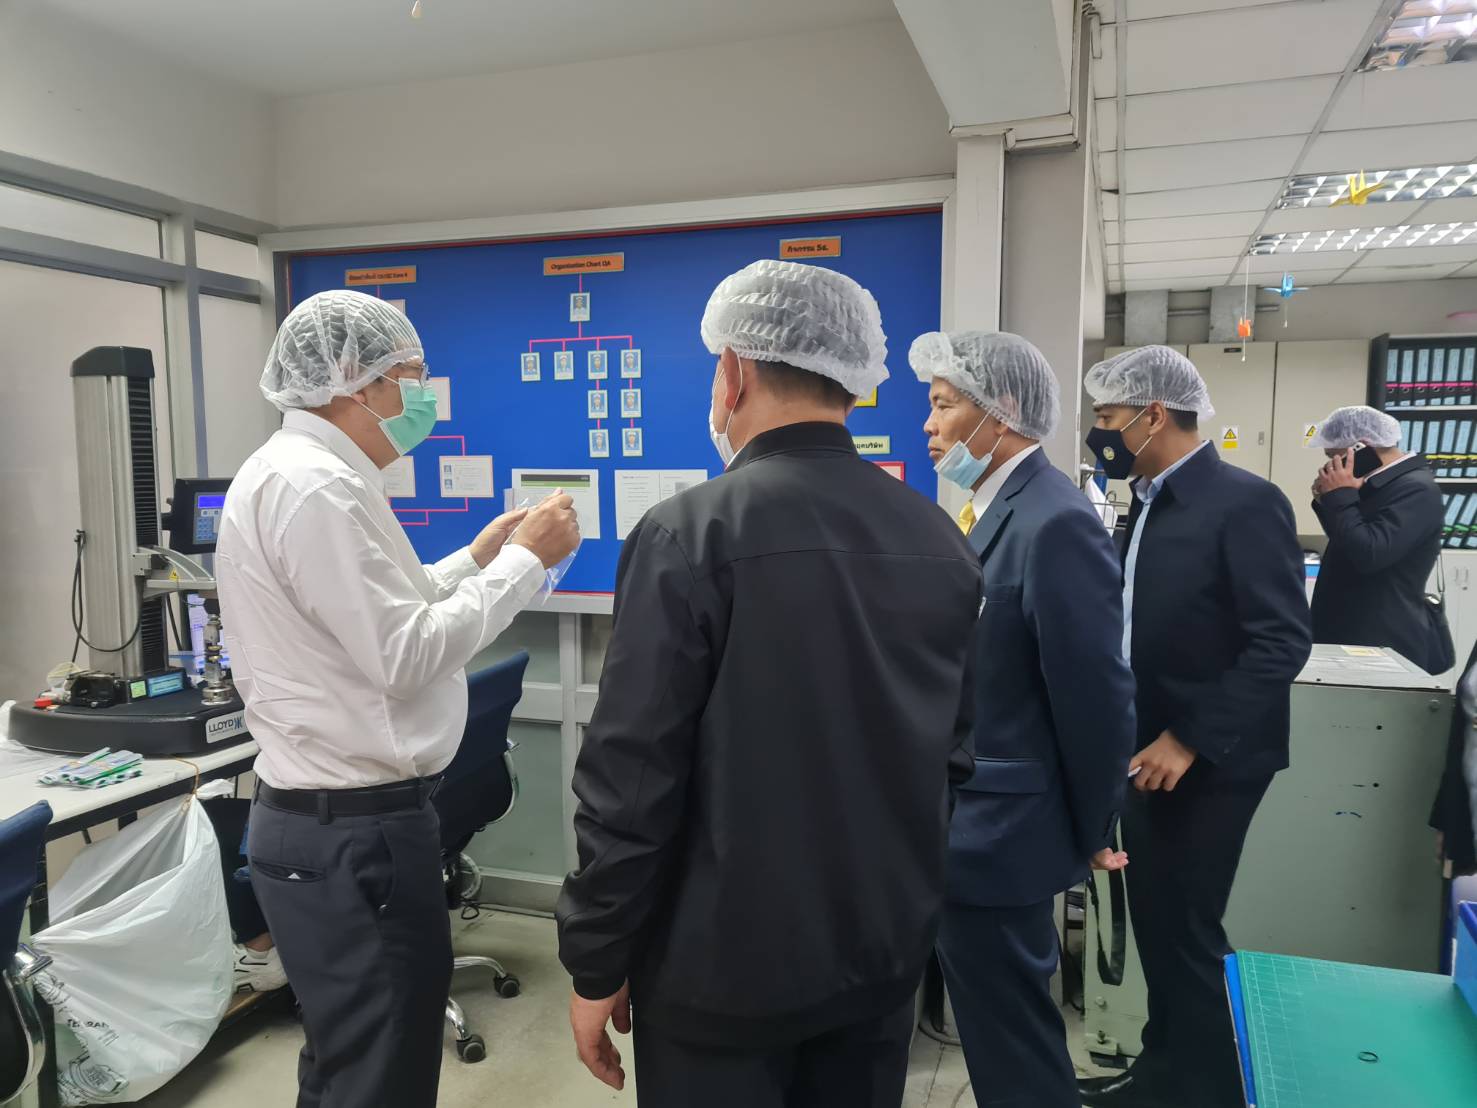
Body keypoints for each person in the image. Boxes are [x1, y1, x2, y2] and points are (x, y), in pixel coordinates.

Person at [556, 260, 982, 1108]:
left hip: (720, 978)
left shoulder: (688, 534)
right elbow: (953, 757)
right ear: (852, 380)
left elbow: (631, 780)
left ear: (735, 370)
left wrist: (596, 957)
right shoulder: (939, 536)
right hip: (876, 963)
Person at [216, 290, 580, 1108]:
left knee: (352, 1061)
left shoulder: (303, 473)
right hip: (352, 832)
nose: (422, 395)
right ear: (356, 381)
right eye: (411, 376)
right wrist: (524, 565)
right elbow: (406, 654)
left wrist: (477, 558)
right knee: (380, 1072)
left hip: (335, 825)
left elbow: (374, 618)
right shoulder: (317, 488)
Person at [1079, 346, 1312, 1108]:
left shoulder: (1242, 502)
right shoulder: (1146, 502)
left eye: (1107, 417)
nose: (1099, 432)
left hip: (1208, 760)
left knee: (1184, 933)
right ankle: (1163, 1075)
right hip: (1147, 751)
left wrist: (1187, 737)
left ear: (1153, 415)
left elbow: (1280, 640)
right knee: (1160, 925)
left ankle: (1207, 1090)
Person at [913, 331, 1136, 1107]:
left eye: (944, 405)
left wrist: (1094, 826)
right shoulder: (994, 507)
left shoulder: (1053, 520)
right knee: (998, 1030)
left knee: (1011, 1042)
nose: (928, 425)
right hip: (973, 820)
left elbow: (1094, 694)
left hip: (1003, 832)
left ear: (1000, 411)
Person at [1309, 404, 1454, 675]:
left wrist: (1340, 498)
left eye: (1335, 457)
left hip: (1380, 640)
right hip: (1350, 632)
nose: (1330, 466)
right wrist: (1327, 500)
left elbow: (1370, 554)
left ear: (1361, 448)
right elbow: (1347, 542)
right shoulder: (1378, 485)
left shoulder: (1416, 489)